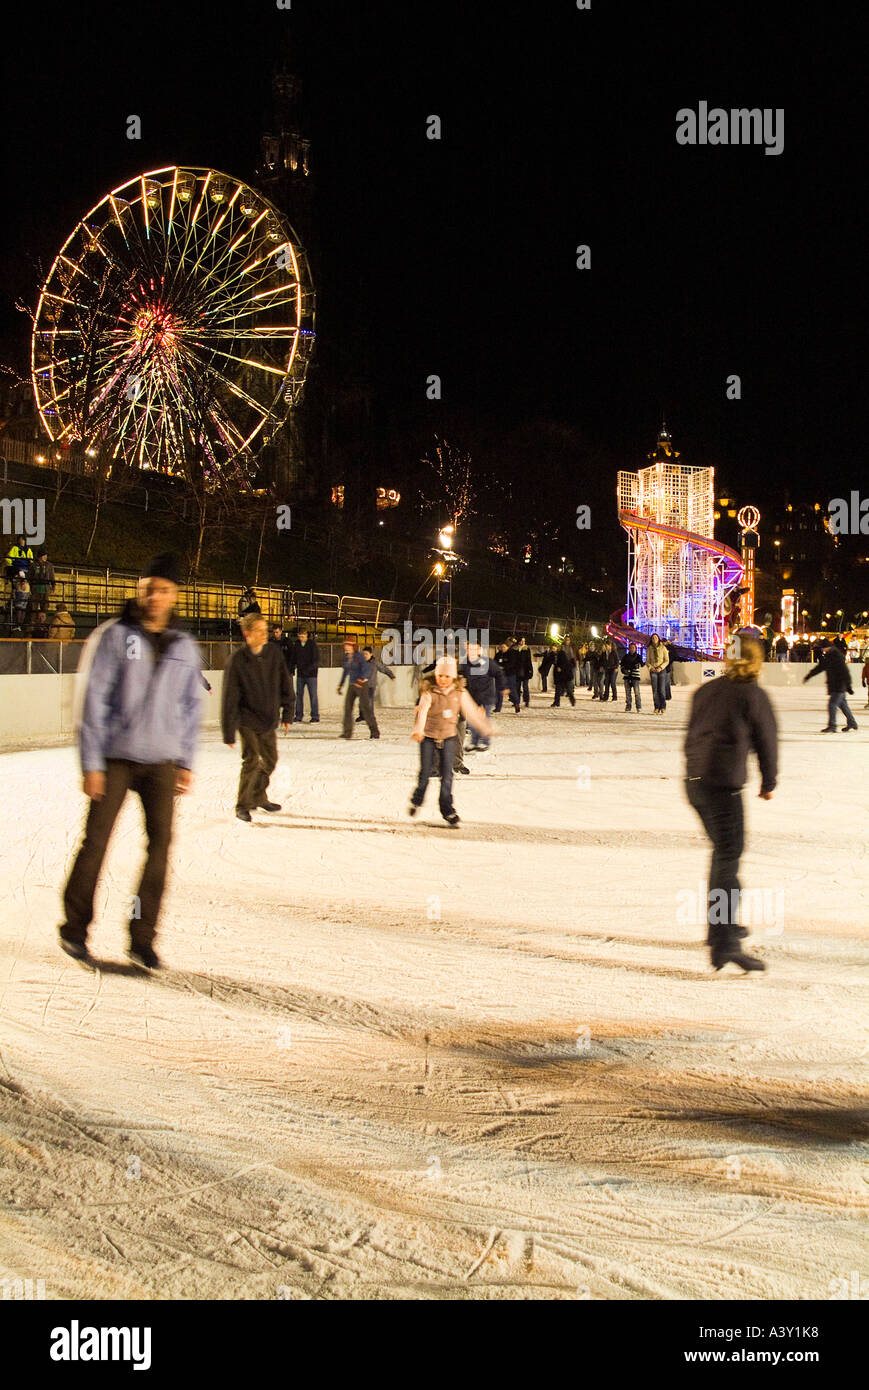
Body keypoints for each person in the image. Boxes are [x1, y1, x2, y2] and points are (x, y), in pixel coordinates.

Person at [58, 553, 202, 970]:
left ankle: (141, 938)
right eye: (149, 588)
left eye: (164, 590)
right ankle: (74, 929)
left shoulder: (184, 646)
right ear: (140, 591)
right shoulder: (115, 636)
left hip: (161, 762)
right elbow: (94, 700)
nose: (156, 596)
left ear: (175, 595)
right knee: (96, 843)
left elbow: (191, 707)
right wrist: (92, 763)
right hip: (116, 757)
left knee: (159, 850)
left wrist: (186, 761)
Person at [684, 633, 777, 973]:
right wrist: (769, 782)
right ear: (755, 659)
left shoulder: (706, 690)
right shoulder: (752, 694)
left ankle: (721, 927)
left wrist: (695, 773)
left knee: (723, 855)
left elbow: (691, 736)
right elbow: (767, 741)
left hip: (695, 784)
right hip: (722, 786)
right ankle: (725, 943)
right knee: (728, 859)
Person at [223, 613, 294, 822]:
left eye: (266, 631)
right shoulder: (237, 660)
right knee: (252, 759)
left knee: (270, 760)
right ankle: (243, 804)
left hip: (268, 718)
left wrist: (288, 712)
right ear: (247, 634)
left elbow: (285, 683)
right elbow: (229, 696)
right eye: (260, 631)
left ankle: (258, 796)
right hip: (246, 719)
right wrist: (229, 731)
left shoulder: (273, 653)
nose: (265, 635)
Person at [408, 656, 495, 825]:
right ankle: (417, 800)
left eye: (447, 677)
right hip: (428, 736)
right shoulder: (429, 692)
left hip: (448, 736)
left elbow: (470, 710)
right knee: (425, 773)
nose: (443, 680)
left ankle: (447, 810)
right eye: (441, 676)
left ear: (453, 677)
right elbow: (423, 712)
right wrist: (418, 730)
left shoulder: (459, 693)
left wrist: (484, 727)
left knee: (447, 775)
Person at [804, 641, 858, 731]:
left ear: (828, 647)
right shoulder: (830, 656)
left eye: (823, 648)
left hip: (839, 685)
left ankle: (832, 726)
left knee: (832, 705)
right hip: (837, 685)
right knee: (843, 705)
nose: (822, 650)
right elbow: (821, 667)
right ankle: (852, 723)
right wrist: (809, 675)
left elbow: (845, 671)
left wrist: (848, 686)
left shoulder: (836, 656)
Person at [459, 640, 502, 752]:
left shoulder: (486, 662)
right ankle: (474, 742)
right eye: (469, 649)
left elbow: (498, 673)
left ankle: (485, 742)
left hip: (486, 695)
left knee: (484, 718)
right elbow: (463, 676)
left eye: (474, 649)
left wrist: (503, 687)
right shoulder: (465, 663)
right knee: (473, 720)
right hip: (473, 695)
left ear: (479, 650)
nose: (471, 651)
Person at [338, 640, 379, 738]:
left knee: (365, 708)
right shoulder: (346, 657)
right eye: (345, 645)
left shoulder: (359, 656)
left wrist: (361, 679)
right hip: (352, 685)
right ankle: (347, 733)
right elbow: (345, 671)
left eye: (348, 645)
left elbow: (367, 669)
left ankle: (374, 732)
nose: (346, 647)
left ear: (353, 646)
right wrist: (341, 684)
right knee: (348, 708)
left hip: (361, 685)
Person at [356, 644, 395, 722]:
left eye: (366, 654)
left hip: (371, 685)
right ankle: (362, 716)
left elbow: (384, 668)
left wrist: (391, 675)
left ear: (371, 654)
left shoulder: (375, 663)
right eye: (363, 654)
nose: (365, 656)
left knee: (369, 701)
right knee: (361, 701)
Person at [292, 628, 320, 722]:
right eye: (300, 636)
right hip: (300, 674)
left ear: (307, 635)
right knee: (299, 695)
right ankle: (298, 715)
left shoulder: (312, 644)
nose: (301, 638)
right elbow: (294, 658)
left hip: (311, 675)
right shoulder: (297, 645)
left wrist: (308, 670)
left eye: (303, 636)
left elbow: (315, 660)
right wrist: (292, 668)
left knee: (313, 695)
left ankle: (315, 716)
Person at [647, 634, 668, 713]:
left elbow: (666, 660)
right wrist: (651, 667)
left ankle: (663, 706)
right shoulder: (649, 649)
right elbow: (647, 661)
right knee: (655, 689)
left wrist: (661, 667)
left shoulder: (663, 648)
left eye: (656, 637)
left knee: (661, 689)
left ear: (658, 639)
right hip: (653, 670)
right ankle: (656, 707)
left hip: (661, 670)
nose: (654, 639)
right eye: (653, 638)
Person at [620, 641, 644, 711]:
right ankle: (628, 706)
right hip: (627, 676)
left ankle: (638, 706)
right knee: (627, 693)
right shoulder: (625, 657)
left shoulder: (638, 657)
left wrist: (638, 665)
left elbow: (642, 664)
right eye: (630, 648)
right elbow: (622, 665)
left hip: (635, 677)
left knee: (637, 692)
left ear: (635, 649)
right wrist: (624, 670)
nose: (632, 649)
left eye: (633, 648)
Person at [551, 640, 576, 707]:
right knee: (558, 689)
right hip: (559, 675)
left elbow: (565, 663)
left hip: (565, 674)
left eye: (554, 648)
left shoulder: (561, 653)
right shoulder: (552, 655)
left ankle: (572, 699)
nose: (553, 650)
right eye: (552, 648)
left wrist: (560, 667)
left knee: (568, 689)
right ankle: (556, 702)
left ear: (557, 648)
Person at [516, 637, 533, 707]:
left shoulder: (526, 649)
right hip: (517, 670)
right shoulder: (515, 649)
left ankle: (526, 701)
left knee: (525, 686)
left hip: (525, 670)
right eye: (522, 641)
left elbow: (529, 660)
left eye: (524, 641)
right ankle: (517, 701)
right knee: (517, 687)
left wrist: (530, 670)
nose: (523, 642)